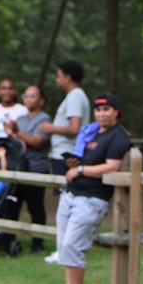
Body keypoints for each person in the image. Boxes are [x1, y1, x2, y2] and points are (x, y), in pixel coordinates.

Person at [45, 92, 130, 284]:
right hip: (71, 194)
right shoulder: (91, 133)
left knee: (73, 245)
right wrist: (76, 164)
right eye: (98, 110)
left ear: (116, 112)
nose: (102, 114)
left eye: (107, 110)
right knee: (64, 245)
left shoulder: (118, 137)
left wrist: (81, 169)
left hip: (92, 199)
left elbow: (111, 166)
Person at [39, 60, 90, 264]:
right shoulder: (75, 96)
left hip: (66, 155)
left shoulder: (75, 96)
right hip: (64, 155)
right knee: (65, 203)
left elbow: (75, 128)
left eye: (59, 75)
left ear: (68, 77)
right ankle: (64, 248)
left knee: (66, 204)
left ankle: (64, 250)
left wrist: (51, 128)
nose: (56, 79)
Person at [8, 85, 52, 251]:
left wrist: (18, 133)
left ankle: (37, 242)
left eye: (33, 96)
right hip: (18, 168)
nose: (28, 99)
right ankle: (9, 239)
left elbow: (37, 142)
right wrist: (11, 133)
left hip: (36, 168)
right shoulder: (20, 119)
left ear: (42, 100)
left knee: (35, 206)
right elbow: (16, 142)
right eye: (26, 96)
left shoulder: (44, 118)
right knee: (12, 205)